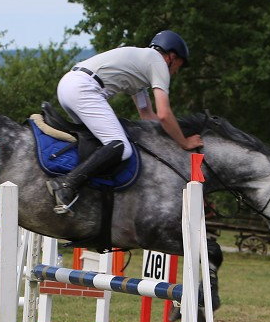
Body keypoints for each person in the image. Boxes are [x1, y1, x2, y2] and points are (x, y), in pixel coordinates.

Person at [46, 30, 204, 214]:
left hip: (69, 85)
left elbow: (147, 115)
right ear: (171, 56)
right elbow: (164, 114)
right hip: (84, 89)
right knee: (121, 146)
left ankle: (84, 194)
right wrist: (184, 142)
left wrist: (167, 141)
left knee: (99, 144)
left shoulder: (142, 67)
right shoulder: (158, 62)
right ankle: (65, 185)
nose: (176, 71)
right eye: (179, 65)